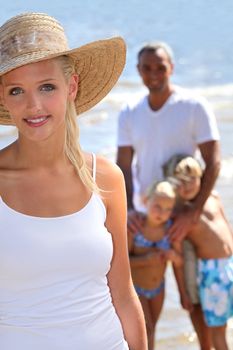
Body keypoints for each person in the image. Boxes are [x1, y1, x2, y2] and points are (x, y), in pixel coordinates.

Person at [0, 12, 147, 350]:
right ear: (4, 99)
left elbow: (123, 294)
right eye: (17, 90)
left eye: (47, 87)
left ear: (72, 87)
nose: (34, 105)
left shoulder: (106, 178)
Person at [116, 41, 221, 349]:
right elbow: (123, 165)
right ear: (138, 72)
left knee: (193, 299)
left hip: (183, 218)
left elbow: (213, 160)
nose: (154, 74)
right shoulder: (129, 113)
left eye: (160, 67)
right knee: (142, 308)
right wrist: (130, 213)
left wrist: (193, 211)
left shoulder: (193, 106)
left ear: (171, 68)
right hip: (147, 222)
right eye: (146, 68)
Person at [171, 155, 233, 350]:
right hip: (212, 274)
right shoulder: (182, 216)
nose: (187, 184)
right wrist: (183, 293)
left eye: (192, 178)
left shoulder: (213, 197)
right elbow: (177, 259)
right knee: (218, 330)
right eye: (181, 181)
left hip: (230, 264)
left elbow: (227, 227)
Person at [128, 180, 183, 350]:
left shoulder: (169, 230)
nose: (162, 212)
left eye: (168, 209)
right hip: (137, 289)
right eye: (157, 206)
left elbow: (180, 261)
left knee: (152, 330)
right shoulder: (135, 229)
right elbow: (123, 263)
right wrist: (147, 260)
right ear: (146, 201)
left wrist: (173, 256)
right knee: (147, 330)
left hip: (158, 288)